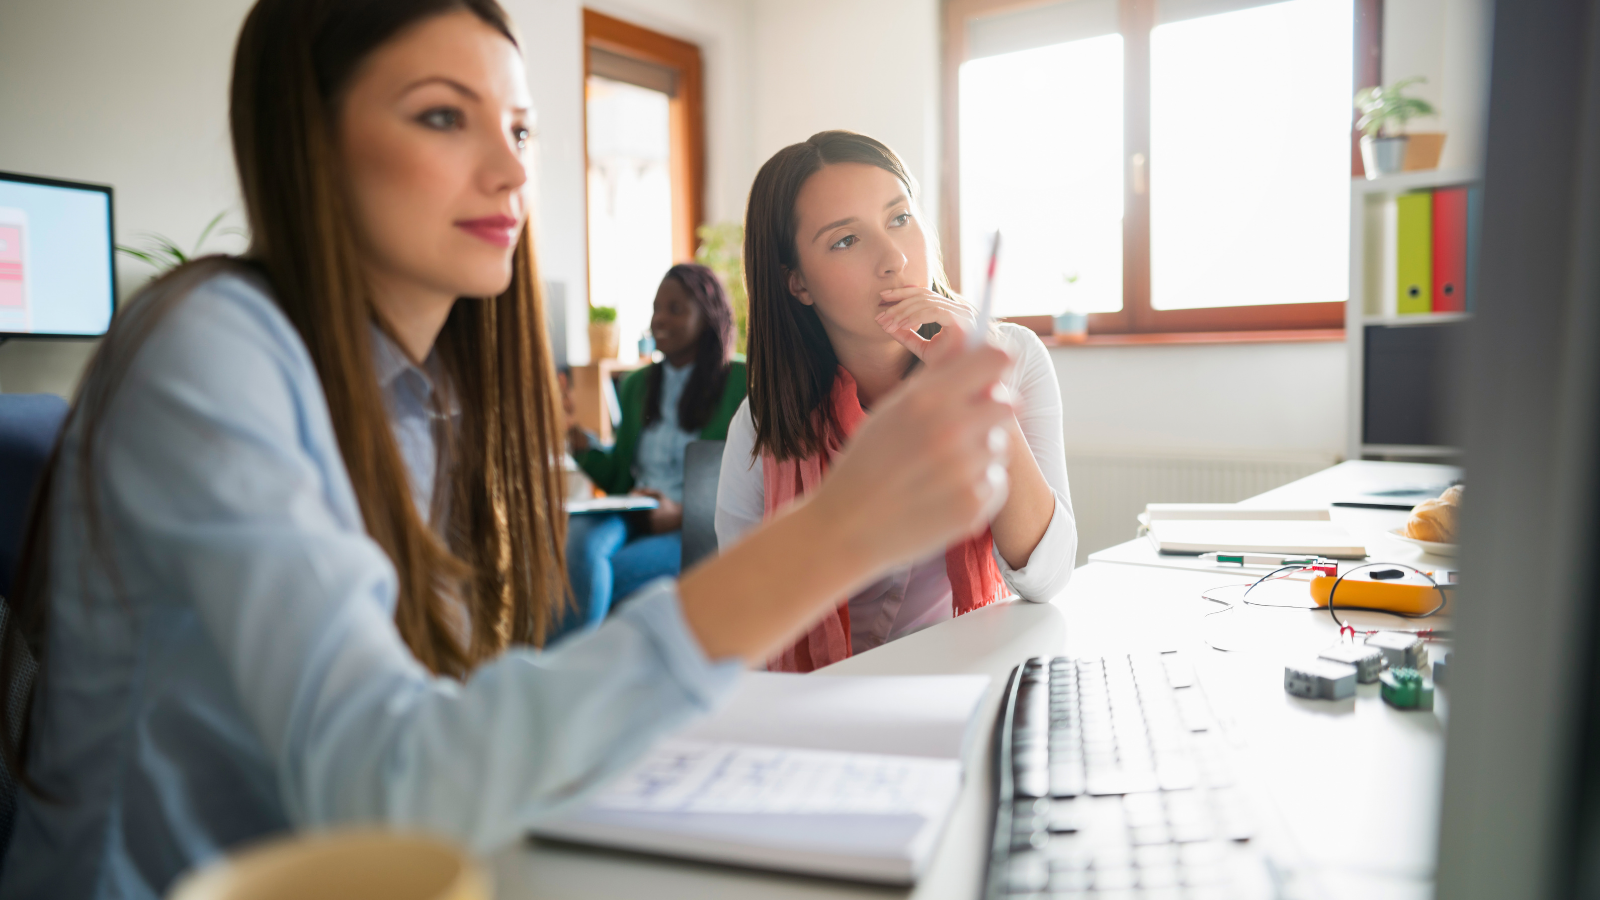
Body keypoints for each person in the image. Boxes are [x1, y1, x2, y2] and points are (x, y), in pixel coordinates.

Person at [0, 5, 1018, 897]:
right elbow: (386, 779)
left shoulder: (436, 391)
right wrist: (833, 535)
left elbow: (448, 731)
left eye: (520, 127)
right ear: (308, 138)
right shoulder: (210, 347)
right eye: (444, 116)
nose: (511, 168)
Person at [717, 130, 1077, 671]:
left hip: (962, 682)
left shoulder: (1013, 359)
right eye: (846, 240)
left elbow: (1046, 577)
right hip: (820, 704)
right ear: (798, 284)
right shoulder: (767, 419)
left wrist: (980, 395)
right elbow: (738, 619)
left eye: (900, 218)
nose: (893, 259)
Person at [559, 265, 746, 638]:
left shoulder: (742, 380)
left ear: (707, 316)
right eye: (656, 308)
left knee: (611, 579)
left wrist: (681, 514)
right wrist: (578, 443)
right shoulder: (636, 384)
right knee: (575, 550)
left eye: (675, 309)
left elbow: (754, 477)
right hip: (633, 509)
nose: (660, 319)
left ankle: (571, 678)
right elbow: (619, 475)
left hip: (695, 526)